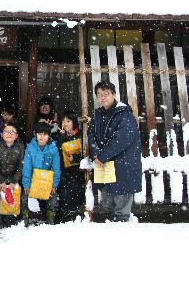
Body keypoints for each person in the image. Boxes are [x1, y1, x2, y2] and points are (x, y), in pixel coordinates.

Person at [88, 81, 142, 222]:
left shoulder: (124, 114)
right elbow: (91, 135)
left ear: (114, 94)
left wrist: (103, 156)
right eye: (99, 95)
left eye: (106, 94)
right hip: (104, 164)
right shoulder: (97, 115)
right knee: (107, 203)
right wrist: (95, 154)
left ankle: (122, 226)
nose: (103, 97)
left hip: (123, 163)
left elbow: (122, 139)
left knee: (121, 202)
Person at [22, 123, 61, 226]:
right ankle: (27, 221)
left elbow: (56, 168)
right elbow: (27, 168)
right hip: (33, 181)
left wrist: (54, 184)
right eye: (39, 134)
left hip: (47, 182)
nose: (42, 137)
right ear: (36, 134)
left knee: (53, 200)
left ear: (49, 135)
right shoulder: (30, 148)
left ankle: (50, 221)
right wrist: (27, 184)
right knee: (25, 199)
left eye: (45, 134)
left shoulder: (53, 149)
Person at [0, 123, 25, 228]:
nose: (9, 134)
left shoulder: (20, 147)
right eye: (6, 131)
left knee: (12, 199)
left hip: (14, 178)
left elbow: (21, 165)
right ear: (1, 134)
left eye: (12, 132)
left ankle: (10, 219)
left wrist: (14, 181)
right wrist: (1, 181)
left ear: (17, 135)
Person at [56, 110, 85, 223]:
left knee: (72, 197)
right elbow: (57, 153)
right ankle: (64, 220)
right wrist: (61, 138)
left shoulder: (81, 135)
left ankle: (72, 219)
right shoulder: (60, 135)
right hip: (63, 172)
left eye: (68, 121)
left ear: (74, 122)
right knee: (63, 197)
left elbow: (86, 153)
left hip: (77, 173)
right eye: (63, 121)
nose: (65, 124)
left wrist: (76, 158)